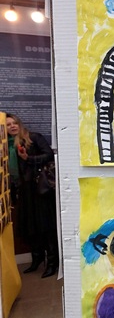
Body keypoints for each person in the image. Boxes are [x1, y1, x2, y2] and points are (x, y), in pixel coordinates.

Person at [6, 113, 59, 278]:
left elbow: (49, 155)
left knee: (46, 226)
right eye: (8, 124)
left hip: (39, 189)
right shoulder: (6, 145)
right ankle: (37, 259)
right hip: (23, 190)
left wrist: (28, 158)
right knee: (30, 227)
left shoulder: (33, 137)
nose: (12, 126)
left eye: (14, 123)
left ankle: (52, 262)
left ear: (19, 124)